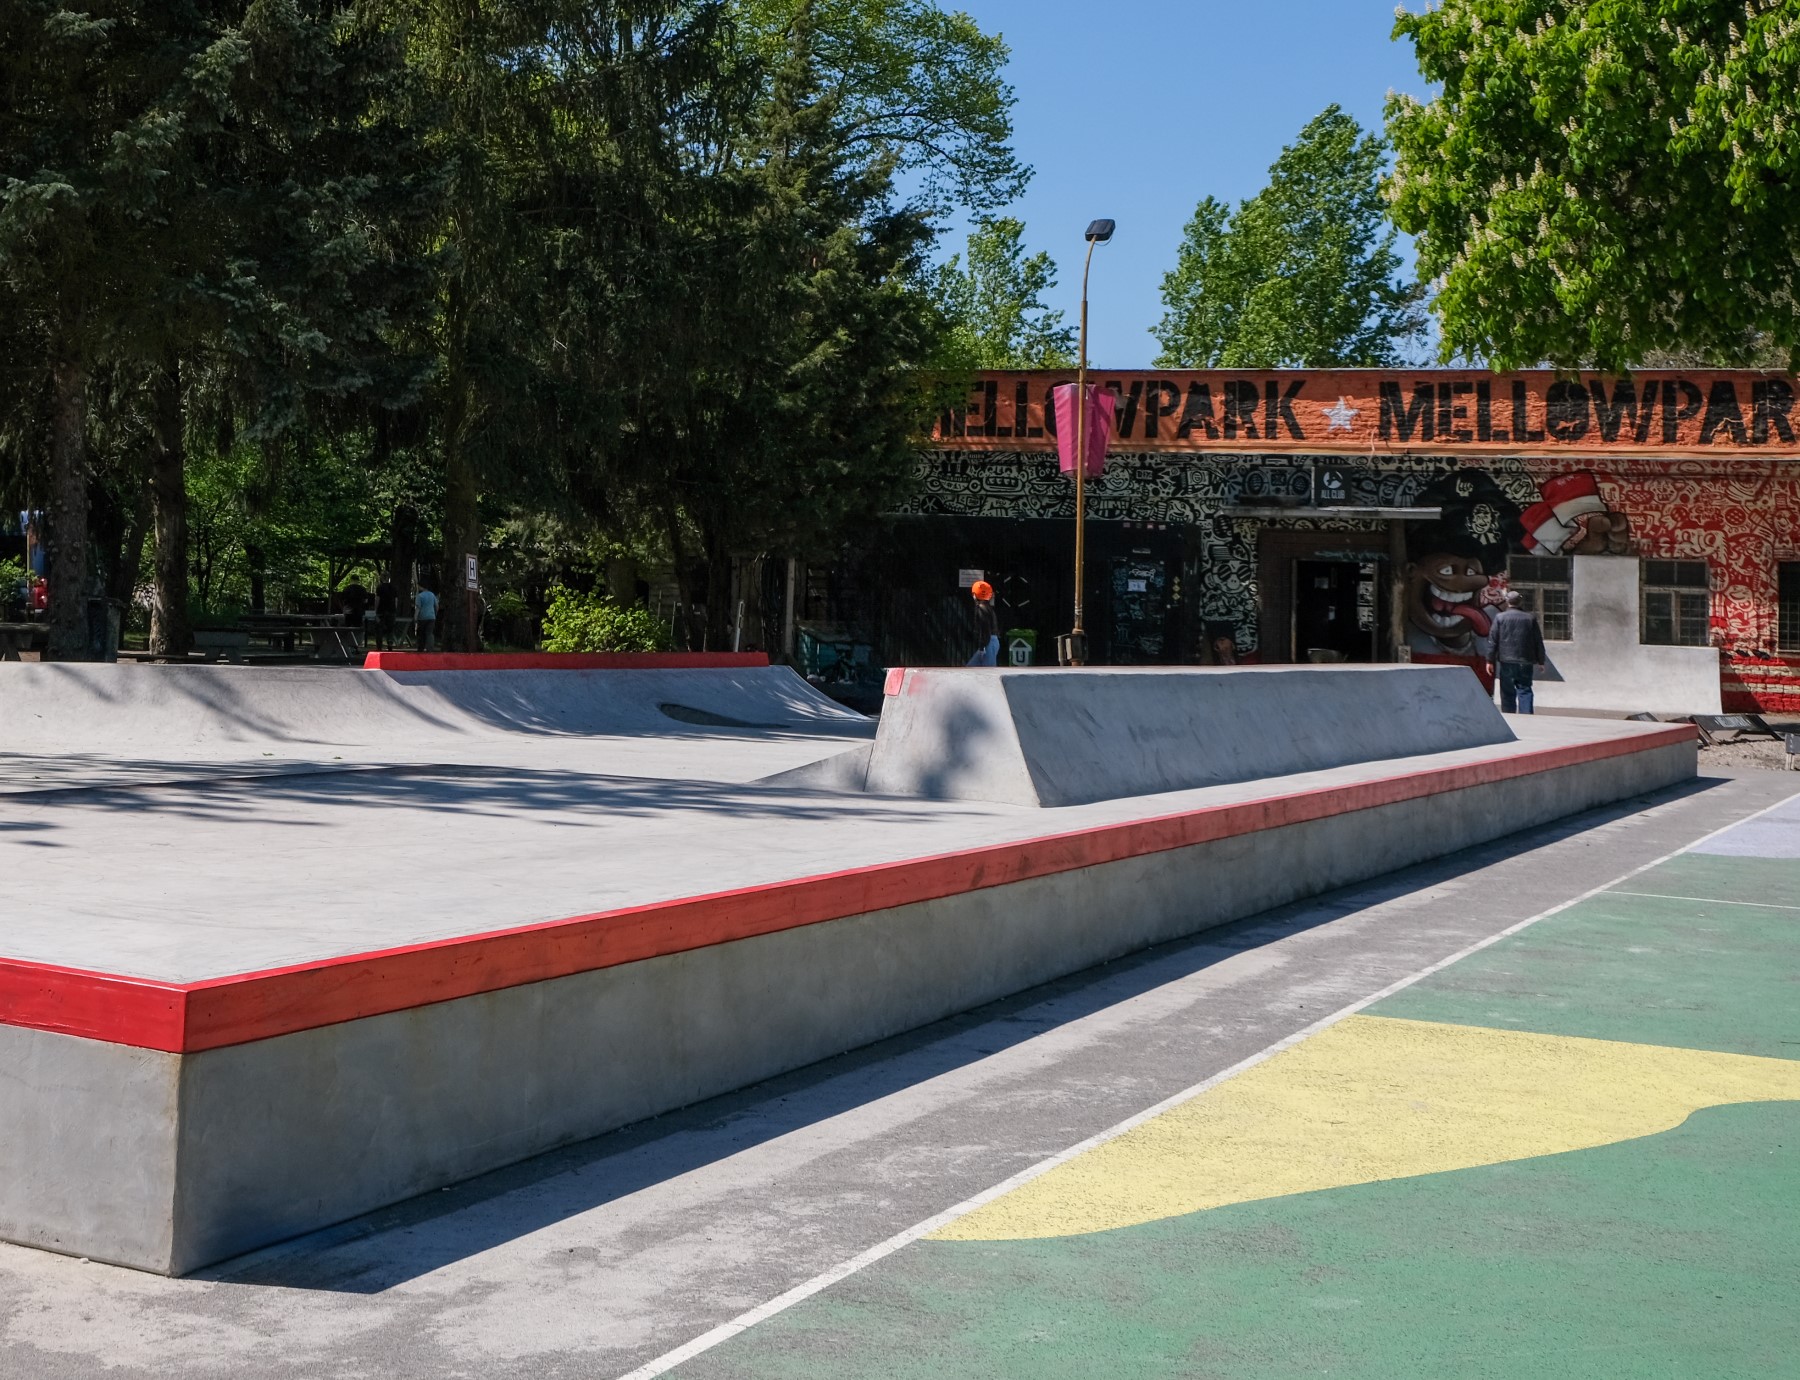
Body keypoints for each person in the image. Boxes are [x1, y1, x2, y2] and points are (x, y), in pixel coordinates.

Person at [1487, 589, 1547, 713]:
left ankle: (1510, 717)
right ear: (1520, 602)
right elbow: (1538, 641)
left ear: (1507, 602)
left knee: (1507, 691)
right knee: (1525, 689)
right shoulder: (1530, 618)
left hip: (1506, 660)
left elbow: (1493, 641)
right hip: (1525, 661)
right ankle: (1527, 717)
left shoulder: (1500, 618)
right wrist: (1541, 661)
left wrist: (1489, 660)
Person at [966, 579, 999, 666]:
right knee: (970, 668)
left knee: (988, 673)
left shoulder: (980, 608)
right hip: (992, 641)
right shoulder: (988, 607)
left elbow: (985, 629)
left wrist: (982, 647)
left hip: (988, 643)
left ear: (974, 594)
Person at [374, 577, 398, 650]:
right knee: (390, 629)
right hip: (391, 611)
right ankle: (390, 644)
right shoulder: (394, 588)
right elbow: (396, 600)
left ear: (381, 578)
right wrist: (395, 608)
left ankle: (379, 646)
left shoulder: (379, 587)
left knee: (379, 629)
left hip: (381, 610)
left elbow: (377, 599)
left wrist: (376, 609)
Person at [414, 582, 439, 652]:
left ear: (421, 587)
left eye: (418, 586)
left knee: (421, 634)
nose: (418, 587)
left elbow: (418, 608)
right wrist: (435, 614)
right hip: (431, 617)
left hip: (422, 617)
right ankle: (430, 649)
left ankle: (420, 649)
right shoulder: (432, 595)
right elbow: (436, 606)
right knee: (430, 633)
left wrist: (415, 617)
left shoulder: (420, 596)